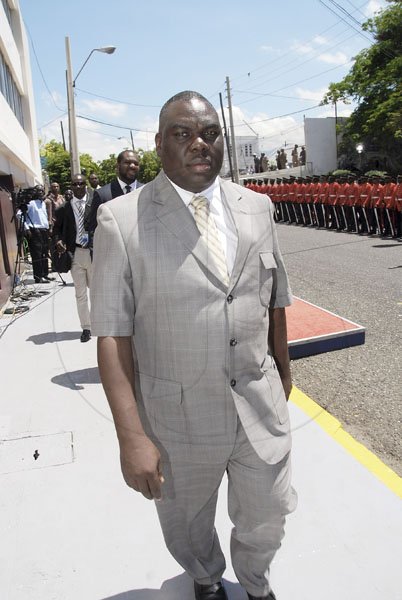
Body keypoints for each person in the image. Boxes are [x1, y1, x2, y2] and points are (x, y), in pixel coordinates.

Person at [91, 91, 296, 600]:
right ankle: (205, 578)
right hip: (176, 417)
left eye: (209, 133)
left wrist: (284, 371)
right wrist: (131, 437)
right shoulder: (122, 220)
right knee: (187, 524)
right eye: (182, 134)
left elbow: (275, 297)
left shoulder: (258, 208)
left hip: (257, 403)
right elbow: (113, 338)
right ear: (159, 144)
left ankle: (255, 581)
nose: (198, 144)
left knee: (268, 513)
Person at [53, 174, 93, 343]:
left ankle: (101, 323)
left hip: (93, 254)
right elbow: (56, 230)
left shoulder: (96, 203)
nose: (78, 186)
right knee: (80, 294)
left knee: (98, 293)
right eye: (74, 184)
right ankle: (86, 328)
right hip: (75, 254)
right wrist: (58, 241)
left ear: (86, 185)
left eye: (81, 183)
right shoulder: (63, 208)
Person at [86, 149, 143, 236]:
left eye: (136, 163)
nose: (132, 166)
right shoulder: (102, 195)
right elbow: (94, 229)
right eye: (127, 162)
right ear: (117, 166)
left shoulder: (147, 191)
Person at [20, 184, 52, 283]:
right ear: (35, 192)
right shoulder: (31, 203)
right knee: (37, 254)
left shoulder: (43, 203)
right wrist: (26, 228)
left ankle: (45, 274)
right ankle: (38, 277)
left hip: (43, 231)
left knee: (44, 253)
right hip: (34, 230)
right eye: (38, 190)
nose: (41, 192)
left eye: (42, 190)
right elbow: (19, 214)